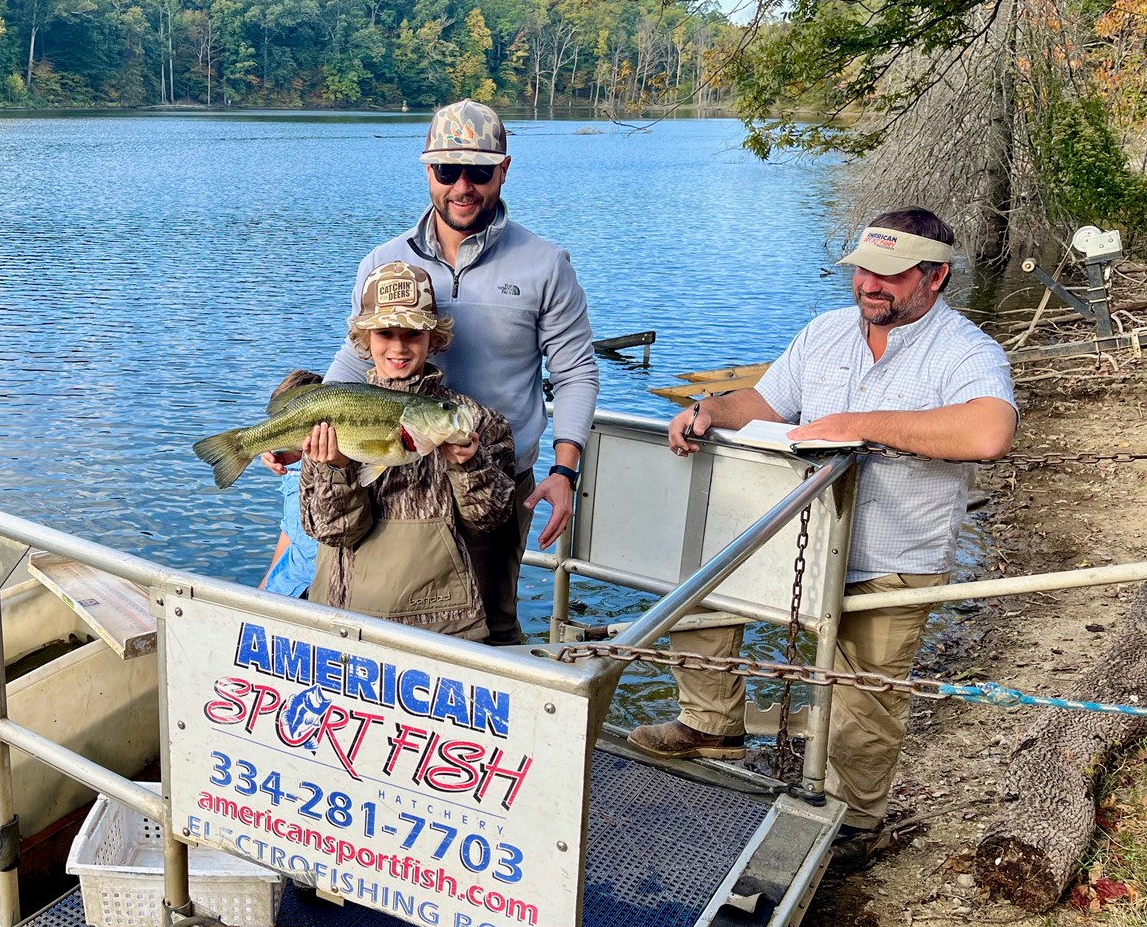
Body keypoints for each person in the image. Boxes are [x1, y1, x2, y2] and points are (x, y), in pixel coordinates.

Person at [628, 208, 1017, 869]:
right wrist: (709, 410)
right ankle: (710, 726)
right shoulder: (824, 332)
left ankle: (854, 824)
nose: (870, 285)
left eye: (891, 274)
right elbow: (766, 405)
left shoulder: (967, 351)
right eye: (863, 270)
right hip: (802, 535)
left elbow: (988, 432)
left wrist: (859, 424)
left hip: (893, 557)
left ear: (936, 277)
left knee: (865, 702)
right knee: (700, 591)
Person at [322, 99, 599, 645]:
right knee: (373, 630)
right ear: (428, 170)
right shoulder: (382, 261)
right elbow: (354, 360)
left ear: (504, 169)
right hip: (393, 481)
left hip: (495, 483)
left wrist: (564, 472)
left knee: (491, 630)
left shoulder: (545, 264)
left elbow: (575, 373)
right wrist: (305, 438)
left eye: (479, 171)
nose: (463, 187)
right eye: (448, 171)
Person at [300, 262, 516, 642]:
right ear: (365, 339)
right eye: (385, 333)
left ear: (434, 338)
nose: (398, 347)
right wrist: (337, 468)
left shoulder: (474, 420)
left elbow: (490, 522)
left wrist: (470, 467)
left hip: (443, 622)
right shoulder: (332, 415)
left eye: (413, 334)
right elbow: (334, 532)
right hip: (347, 617)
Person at [258, 370, 323, 599]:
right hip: (286, 586)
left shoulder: (347, 467)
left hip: (320, 592)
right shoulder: (291, 468)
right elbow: (290, 531)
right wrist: (264, 588)